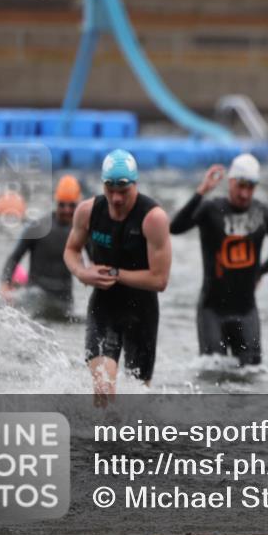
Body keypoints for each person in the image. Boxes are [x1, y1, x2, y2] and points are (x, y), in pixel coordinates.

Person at [63, 150, 171, 405]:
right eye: (110, 189)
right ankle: (101, 442)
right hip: (104, 307)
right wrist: (82, 272)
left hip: (142, 311)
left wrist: (114, 273)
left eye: (123, 190)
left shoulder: (153, 218)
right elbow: (71, 250)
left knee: (138, 401)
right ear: (103, 184)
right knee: (103, 388)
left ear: (135, 184)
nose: (116, 197)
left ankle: (126, 444)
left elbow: (160, 280)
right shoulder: (87, 211)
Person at [170, 153, 268, 366]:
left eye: (251, 187)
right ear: (231, 182)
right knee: (212, 374)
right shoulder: (210, 209)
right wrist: (201, 191)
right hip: (212, 311)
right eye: (241, 186)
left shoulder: (263, 213)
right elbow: (175, 228)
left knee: (251, 375)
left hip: (246, 311)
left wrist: (260, 271)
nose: (245, 194)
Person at [0, 176, 81, 320]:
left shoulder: (81, 231)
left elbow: (95, 261)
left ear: (78, 204)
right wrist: (5, 286)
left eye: (71, 205)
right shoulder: (38, 227)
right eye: (62, 205)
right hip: (36, 294)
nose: (67, 210)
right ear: (56, 202)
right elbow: (14, 257)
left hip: (64, 300)